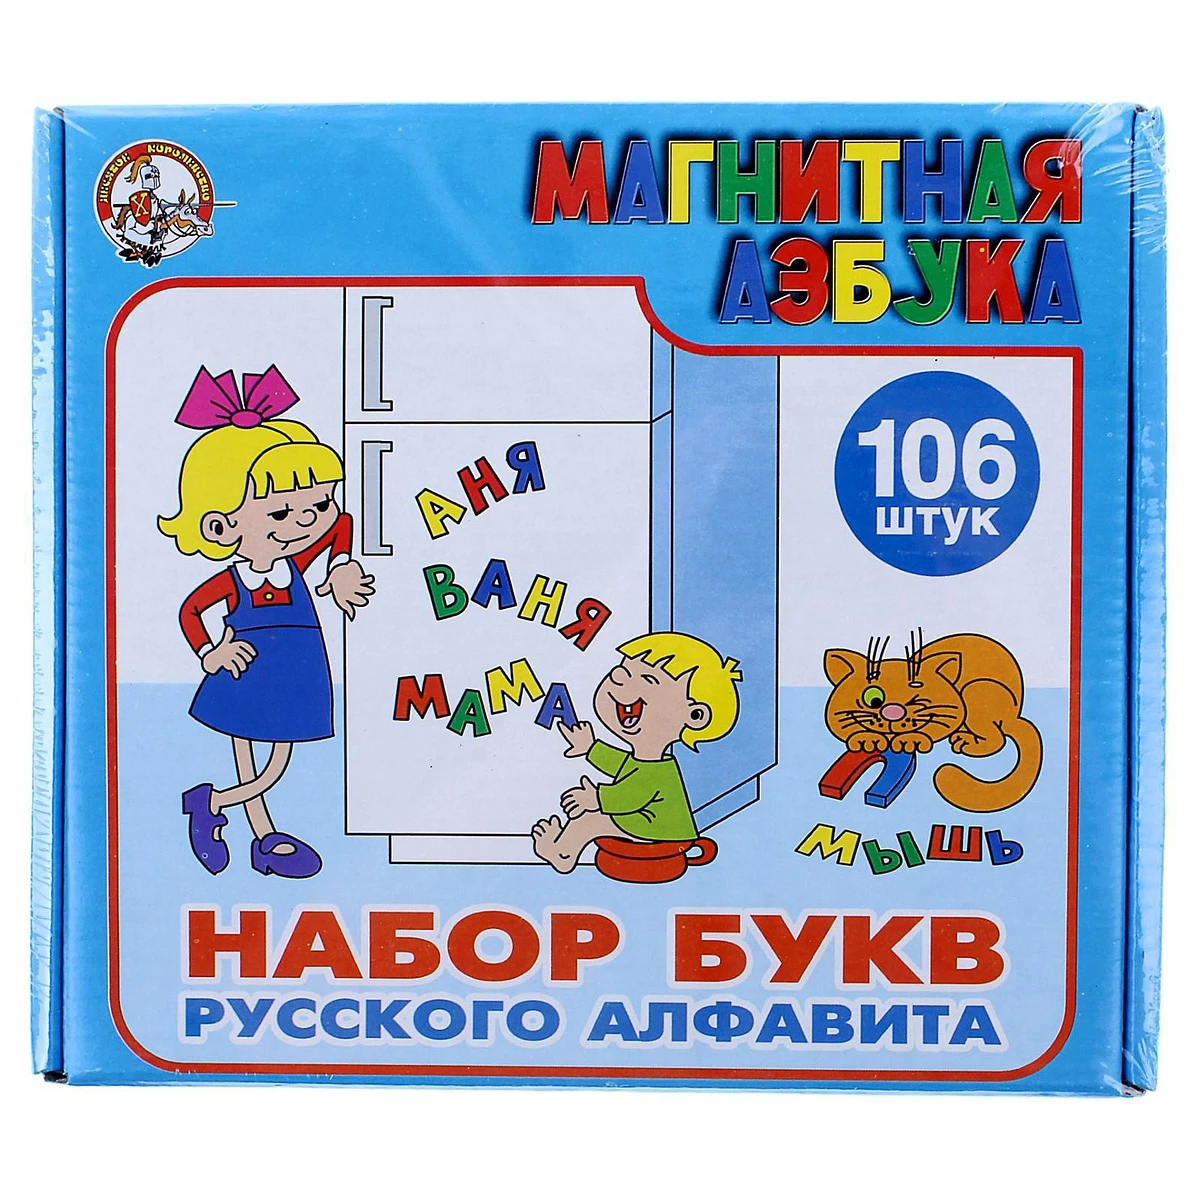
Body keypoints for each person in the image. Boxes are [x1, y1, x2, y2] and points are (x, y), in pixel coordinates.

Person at [159, 365, 375, 878]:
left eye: (318, 503)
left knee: (276, 761)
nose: (308, 519)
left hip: (295, 671)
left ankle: (214, 805)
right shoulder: (233, 580)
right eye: (280, 513)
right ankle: (260, 835)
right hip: (245, 669)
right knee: (249, 757)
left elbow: (341, 526)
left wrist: (341, 565)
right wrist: (210, 652)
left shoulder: (296, 563)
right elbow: (191, 611)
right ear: (222, 526)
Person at [532, 632, 741, 873]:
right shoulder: (647, 761)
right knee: (590, 819)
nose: (618, 676)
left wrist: (597, 799)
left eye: (647, 679)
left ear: (695, 716)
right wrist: (590, 748)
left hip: (655, 832)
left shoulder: (658, 770)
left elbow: (633, 796)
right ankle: (563, 849)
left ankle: (563, 854)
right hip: (643, 823)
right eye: (624, 670)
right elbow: (623, 765)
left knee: (590, 820)